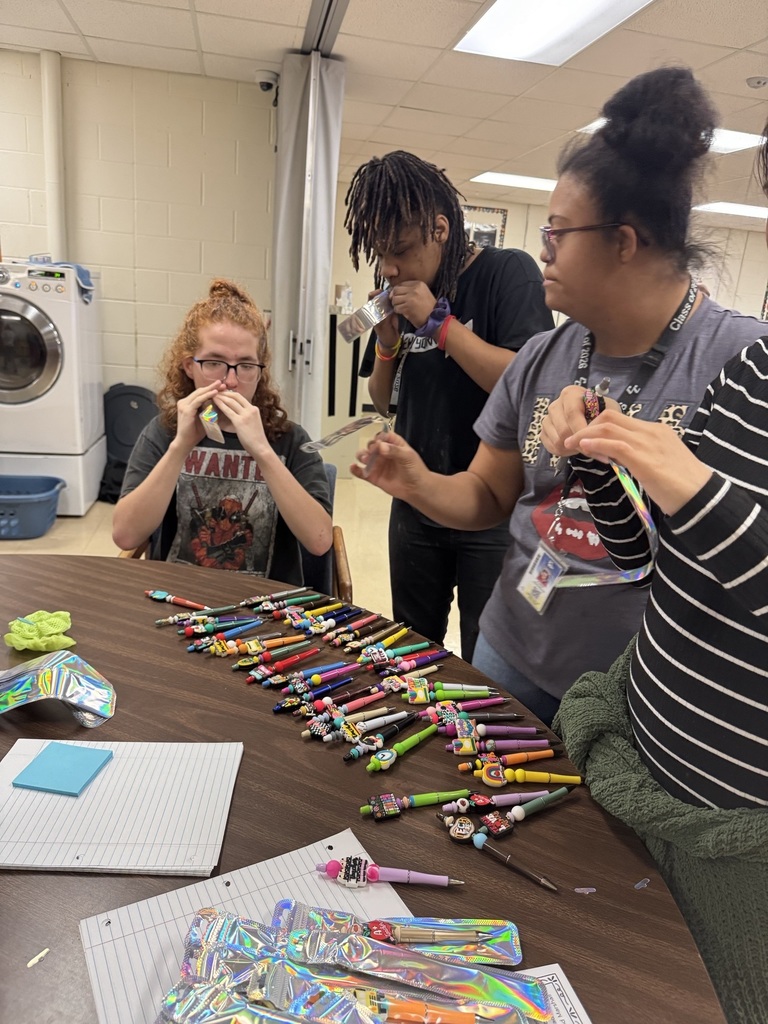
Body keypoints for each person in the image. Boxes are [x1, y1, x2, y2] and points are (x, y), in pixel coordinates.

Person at [351, 68, 768, 724]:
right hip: (511, 653)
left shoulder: (740, 360)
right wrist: (417, 482)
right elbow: (488, 495)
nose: (542, 251)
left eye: (557, 233)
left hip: (641, 696)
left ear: (622, 243)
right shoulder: (547, 355)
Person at [540, 117, 768, 1024]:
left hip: (735, 846)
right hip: (645, 781)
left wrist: (700, 491)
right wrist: (603, 463)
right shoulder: (752, 373)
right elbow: (651, 565)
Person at [344, 150, 554, 660]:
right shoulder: (400, 293)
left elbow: (527, 382)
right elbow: (381, 400)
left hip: (488, 508)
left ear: (440, 229)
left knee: (488, 655)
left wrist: (441, 326)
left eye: (400, 250)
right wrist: (388, 343)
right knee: (412, 649)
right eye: (379, 252)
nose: (389, 267)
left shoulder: (509, 273)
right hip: (417, 506)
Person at [113, 279, 332, 583]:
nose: (230, 381)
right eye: (214, 363)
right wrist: (180, 447)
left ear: (260, 371)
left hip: (264, 608)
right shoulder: (165, 431)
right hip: (177, 599)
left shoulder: (289, 439)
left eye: (245, 365)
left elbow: (320, 540)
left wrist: (263, 452)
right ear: (190, 366)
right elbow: (126, 535)